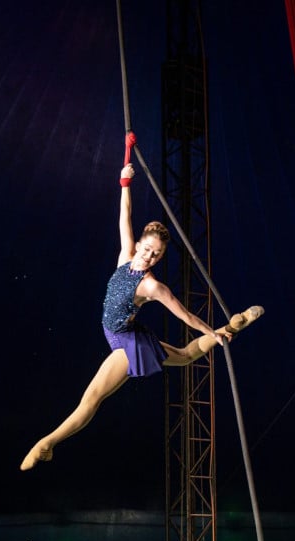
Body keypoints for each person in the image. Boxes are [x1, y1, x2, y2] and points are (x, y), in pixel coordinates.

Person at [20, 163, 262, 470]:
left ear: (160, 257)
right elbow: (125, 215)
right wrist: (124, 182)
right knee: (187, 356)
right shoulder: (126, 255)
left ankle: (46, 444)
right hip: (122, 335)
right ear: (140, 245)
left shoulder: (152, 286)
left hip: (124, 344)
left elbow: (184, 315)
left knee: (92, 399)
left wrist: (208, 331)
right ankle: (231, 326)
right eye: (147, 249)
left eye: (156, 255)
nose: (149, 257)